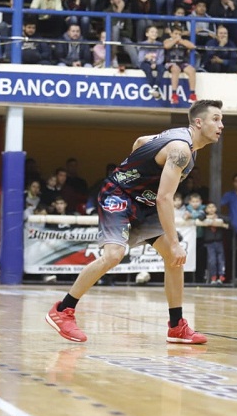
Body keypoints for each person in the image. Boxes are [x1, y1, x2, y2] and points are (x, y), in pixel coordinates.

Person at [45, 99, 225, 344]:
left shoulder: (182, 142)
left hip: (143, 201)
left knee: (174, 260)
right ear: (199, 122)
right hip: (119, 195)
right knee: (114, 255)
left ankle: (176, 326)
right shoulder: (181, 150)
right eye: (216, 119)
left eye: (221, 120)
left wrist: (135, 166)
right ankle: (62, 310)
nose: (221, 125)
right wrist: (174, 242)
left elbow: (141, 142)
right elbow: (164, 198)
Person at [202, 201, 228, 284]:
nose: (211, 209)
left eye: (213, 207)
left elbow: (228, 220)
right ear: (206, 210)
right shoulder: (204, 217)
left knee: (221, 260)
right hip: (209, 243)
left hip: (219, 242)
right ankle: (213, 277)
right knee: (212, 260)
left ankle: (221, 277)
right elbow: (199, 217)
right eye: (209, 207)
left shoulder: (219, 217)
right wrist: (207, 217)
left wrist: (217, 217)